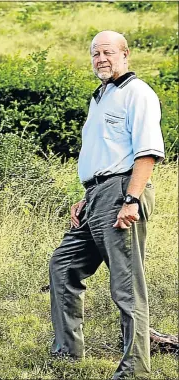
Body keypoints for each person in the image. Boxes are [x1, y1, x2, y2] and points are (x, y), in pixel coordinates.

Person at [48, 30, 165, 378]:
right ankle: (66, 352)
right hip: (96, 196)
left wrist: (131, 199)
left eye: (108, 52)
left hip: (122, 193)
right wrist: (86, 197)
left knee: (127, 286)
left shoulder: (138, 94)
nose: (101, 59)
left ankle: (135, 369)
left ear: (125, 54)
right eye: (96, 53)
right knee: (63, 266)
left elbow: (146, 153)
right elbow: (103, 154)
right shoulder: (99, 98)